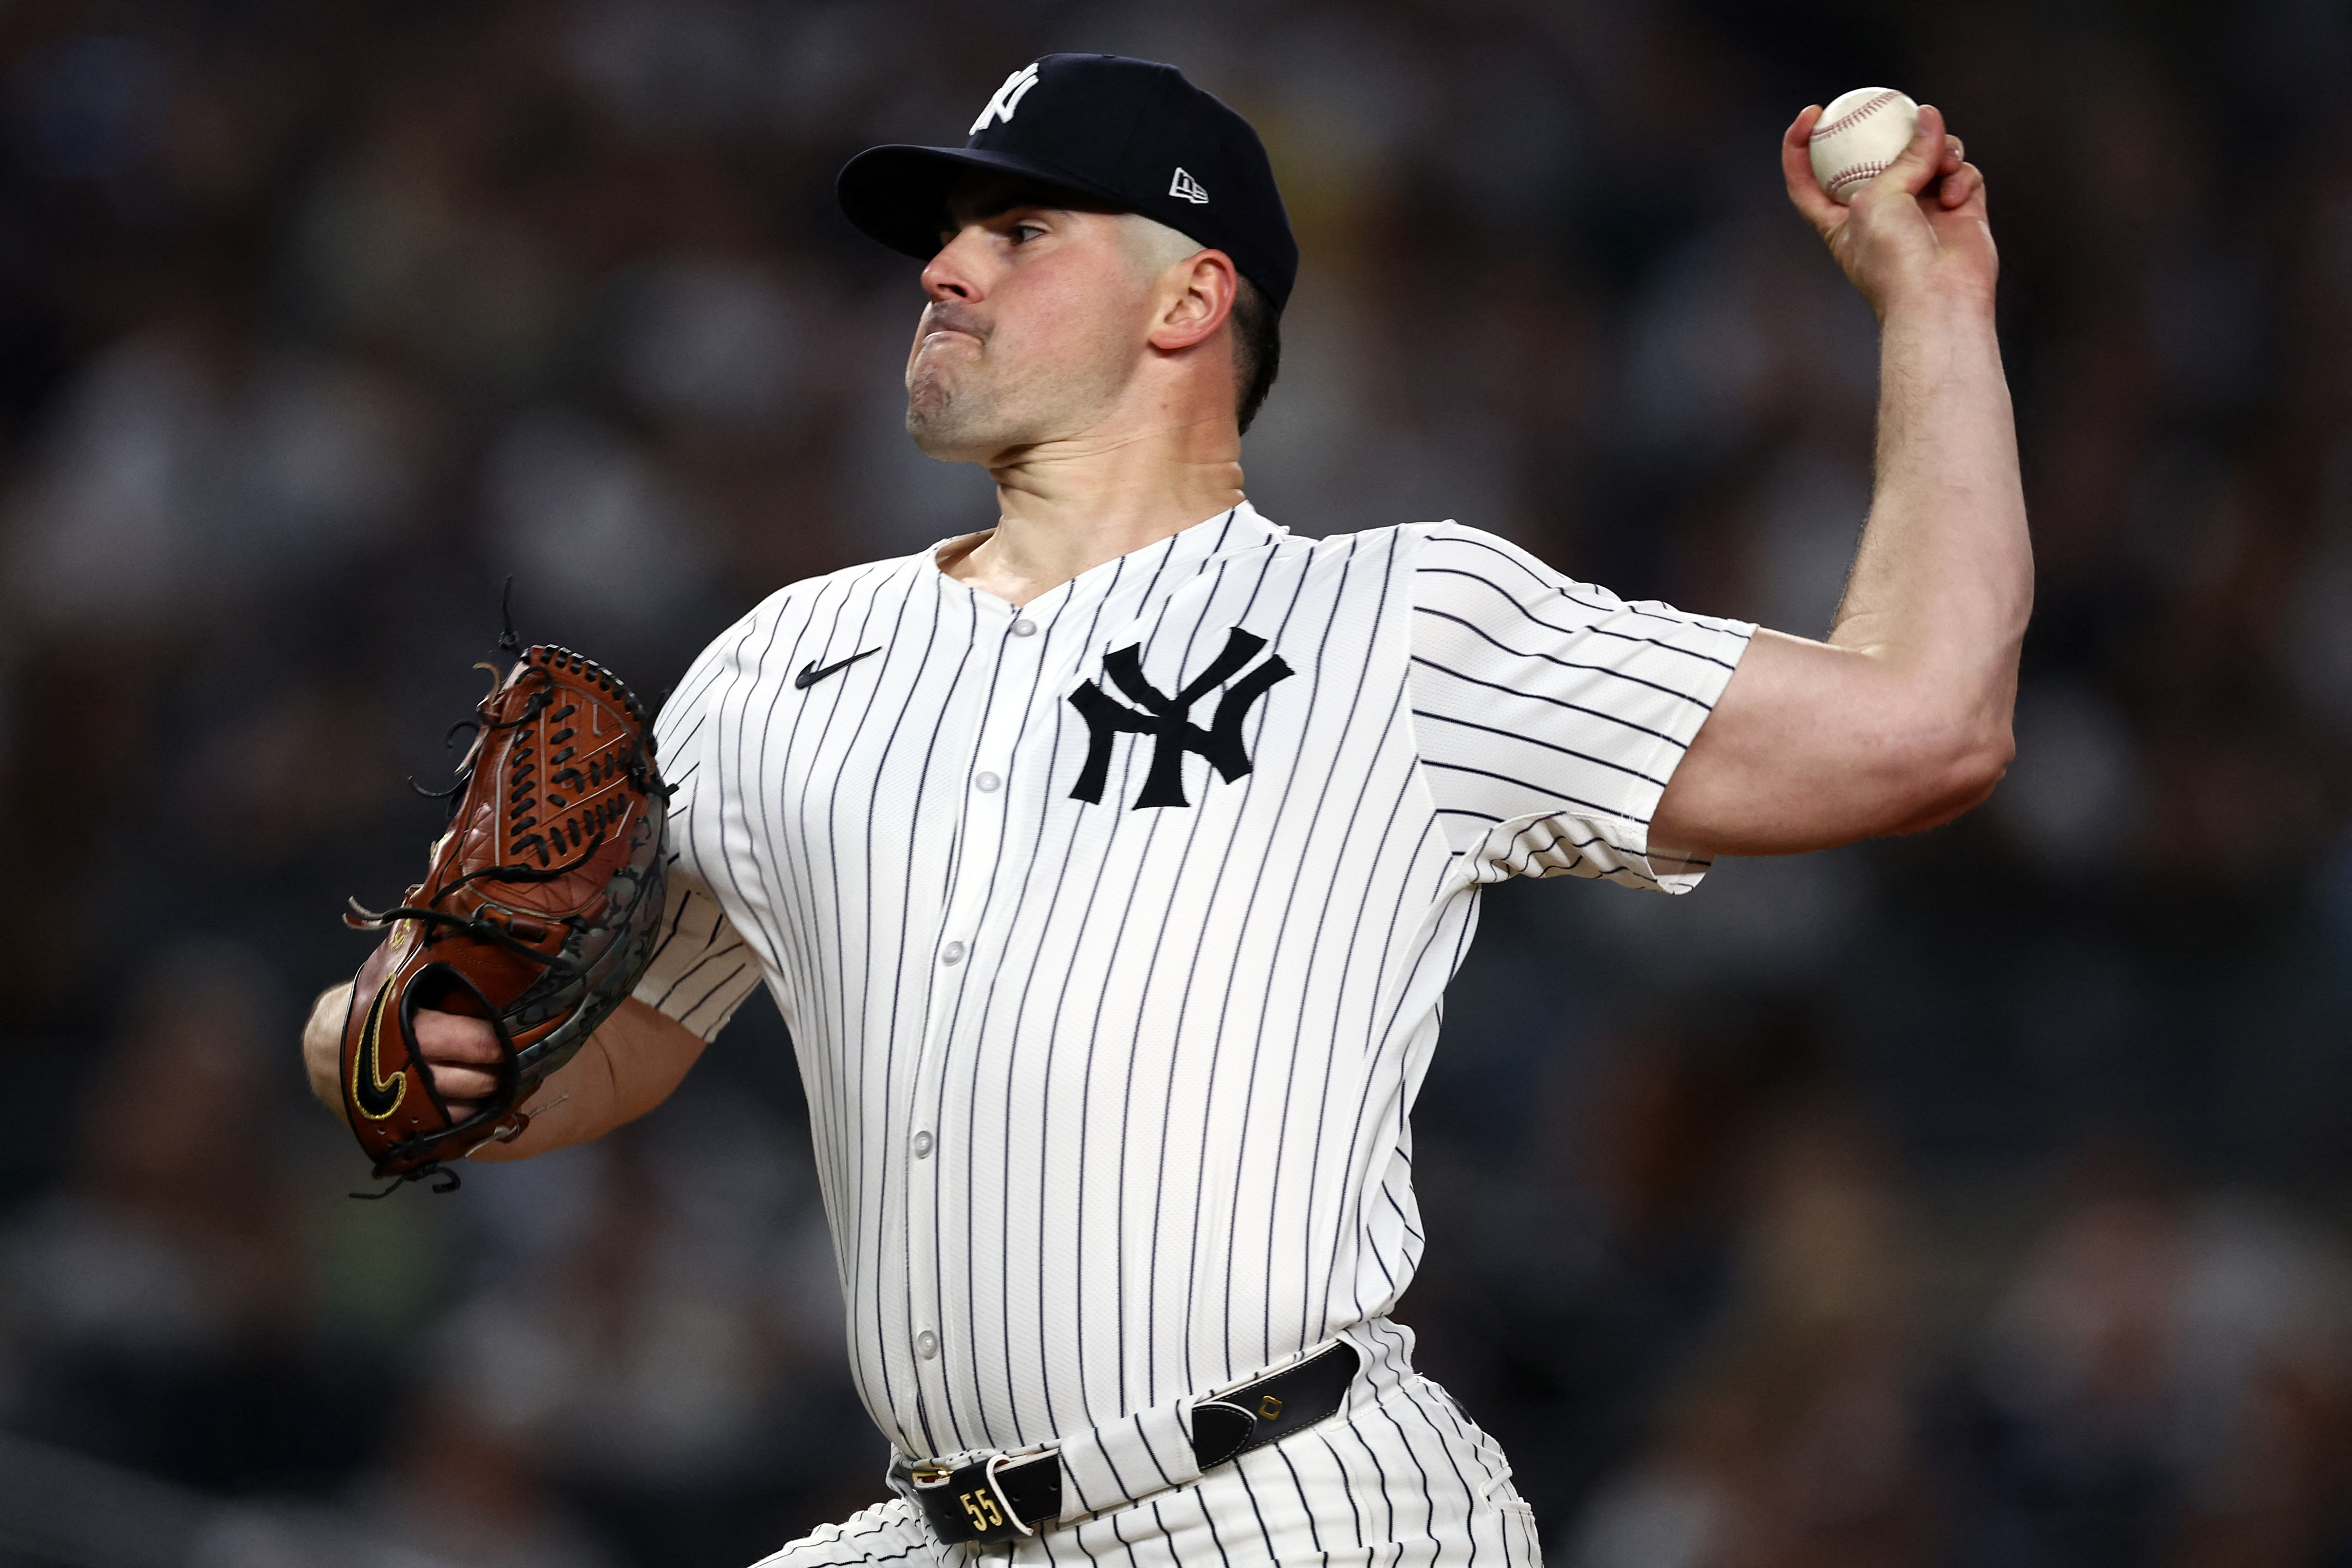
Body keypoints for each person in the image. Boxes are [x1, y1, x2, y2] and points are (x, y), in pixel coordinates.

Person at [302, 52, 2025, 1568]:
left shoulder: (1396, 622)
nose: (945, 267)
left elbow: (1921, 726)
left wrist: (1929, 301)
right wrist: (386, 1037)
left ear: (1189, 300)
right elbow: (594, 1054)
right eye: (945, 234)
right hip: (940, 1523)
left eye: (1020, 231)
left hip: (1286, 1509)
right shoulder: (780, 663)